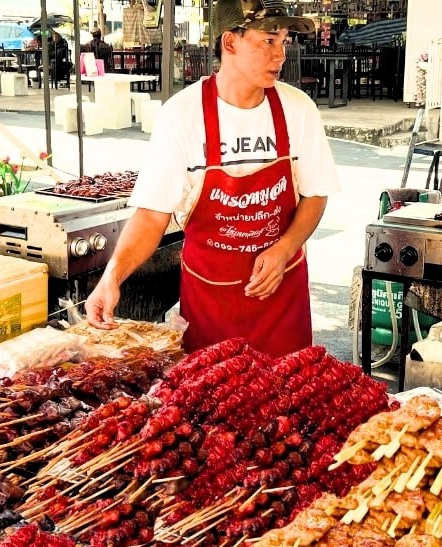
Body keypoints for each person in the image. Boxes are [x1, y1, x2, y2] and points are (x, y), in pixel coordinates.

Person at [85, 0, 337, 358]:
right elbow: (152, 214)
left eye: (284, 41)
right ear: (230, 42)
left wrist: (284, 248)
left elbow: (316, 194)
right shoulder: (182, 115)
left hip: (281, 303)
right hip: (210, 305)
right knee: (209, 389)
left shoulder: (298, 109)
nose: (280, 54)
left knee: (289, 390)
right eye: (268, 41)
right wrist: (112, 277)